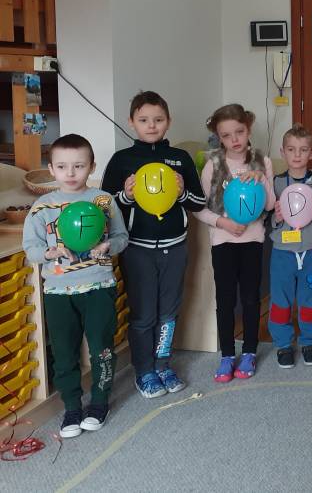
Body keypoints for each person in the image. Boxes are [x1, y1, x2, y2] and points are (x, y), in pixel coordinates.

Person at [101, 91, 206, 398]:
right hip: (138, 250)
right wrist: (126, 196)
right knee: (144, 314)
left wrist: (182, 191)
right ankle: (144, 370)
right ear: (131, 122)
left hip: (175, 248)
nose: (151, 125)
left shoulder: (180, 158)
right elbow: (103, 206)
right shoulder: (122, 160)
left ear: (168, 122)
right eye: (144, 120)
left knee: (169, 313)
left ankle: (163, 365)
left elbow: (199, 203)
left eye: (158, 119)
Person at [23, 134, 129, 438]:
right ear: (51, 169)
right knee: (64, 353)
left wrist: (107, 246)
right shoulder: (42, 207)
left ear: (92, 167)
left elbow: (122, 238)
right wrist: (48, 252)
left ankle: (99, 402)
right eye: (62, 166)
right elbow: (30, 248)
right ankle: (71, 407)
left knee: (101, 348)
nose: (70, 173)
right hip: (58, 292)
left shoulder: (103, 200)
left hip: (98, 286)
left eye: (79, 166)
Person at [195, 104, 275, 382]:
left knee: (251, 298)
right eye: (226, 135)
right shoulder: (213, 165)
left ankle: (250, 351)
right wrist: (224, 223)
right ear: (219, 137)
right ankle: (227, 355)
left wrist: (261, 179)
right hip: (223, 242)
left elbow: (271, 204)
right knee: (226, 300)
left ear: (248, 129)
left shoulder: (262, 161)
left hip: (253, 241)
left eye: (239, 132)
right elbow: (199, 209)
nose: (234, 139)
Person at [268, 124, 312, 369]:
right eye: (291, 149)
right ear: (283, 152)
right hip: (282, 253)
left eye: (303, 149)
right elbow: (265, 219)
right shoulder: (275, 183)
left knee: (311, 299)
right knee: (280, 300)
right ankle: (283, 344)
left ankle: (308, 341)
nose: (297, 155)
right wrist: (276, 217)